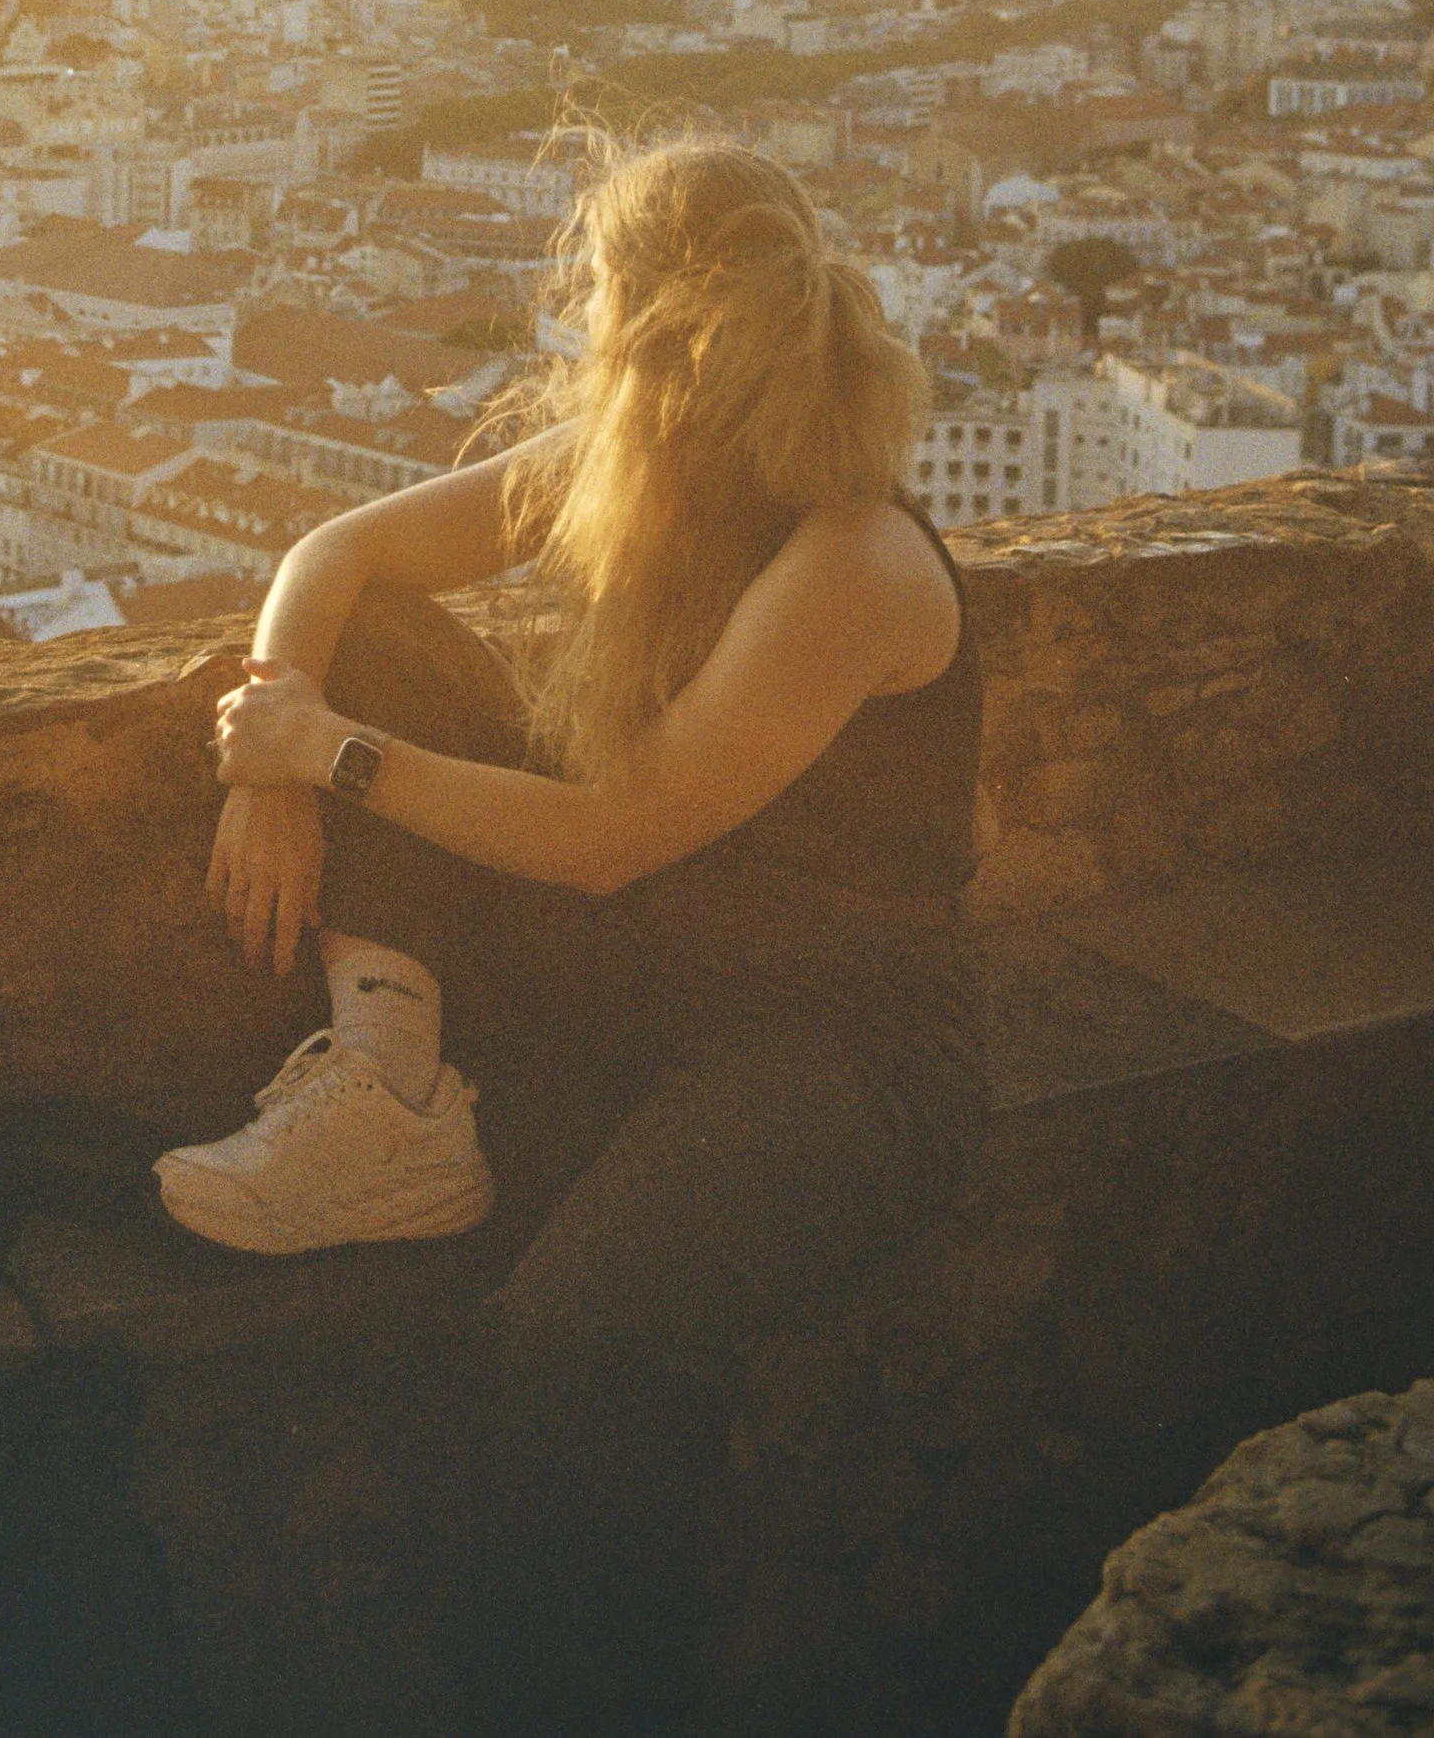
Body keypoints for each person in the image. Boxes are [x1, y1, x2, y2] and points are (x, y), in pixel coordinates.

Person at [153, 136, 989, 1733]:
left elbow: (612, 842)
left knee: (558, 1357)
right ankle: (390, 1079)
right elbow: (336, 559)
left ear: (656, 332)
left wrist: (317, 754)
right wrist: (275, 769)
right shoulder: (646, 471)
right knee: (379, 634)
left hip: (846, 1054)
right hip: (663, 972)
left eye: (598, 311)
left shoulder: (851, 563)